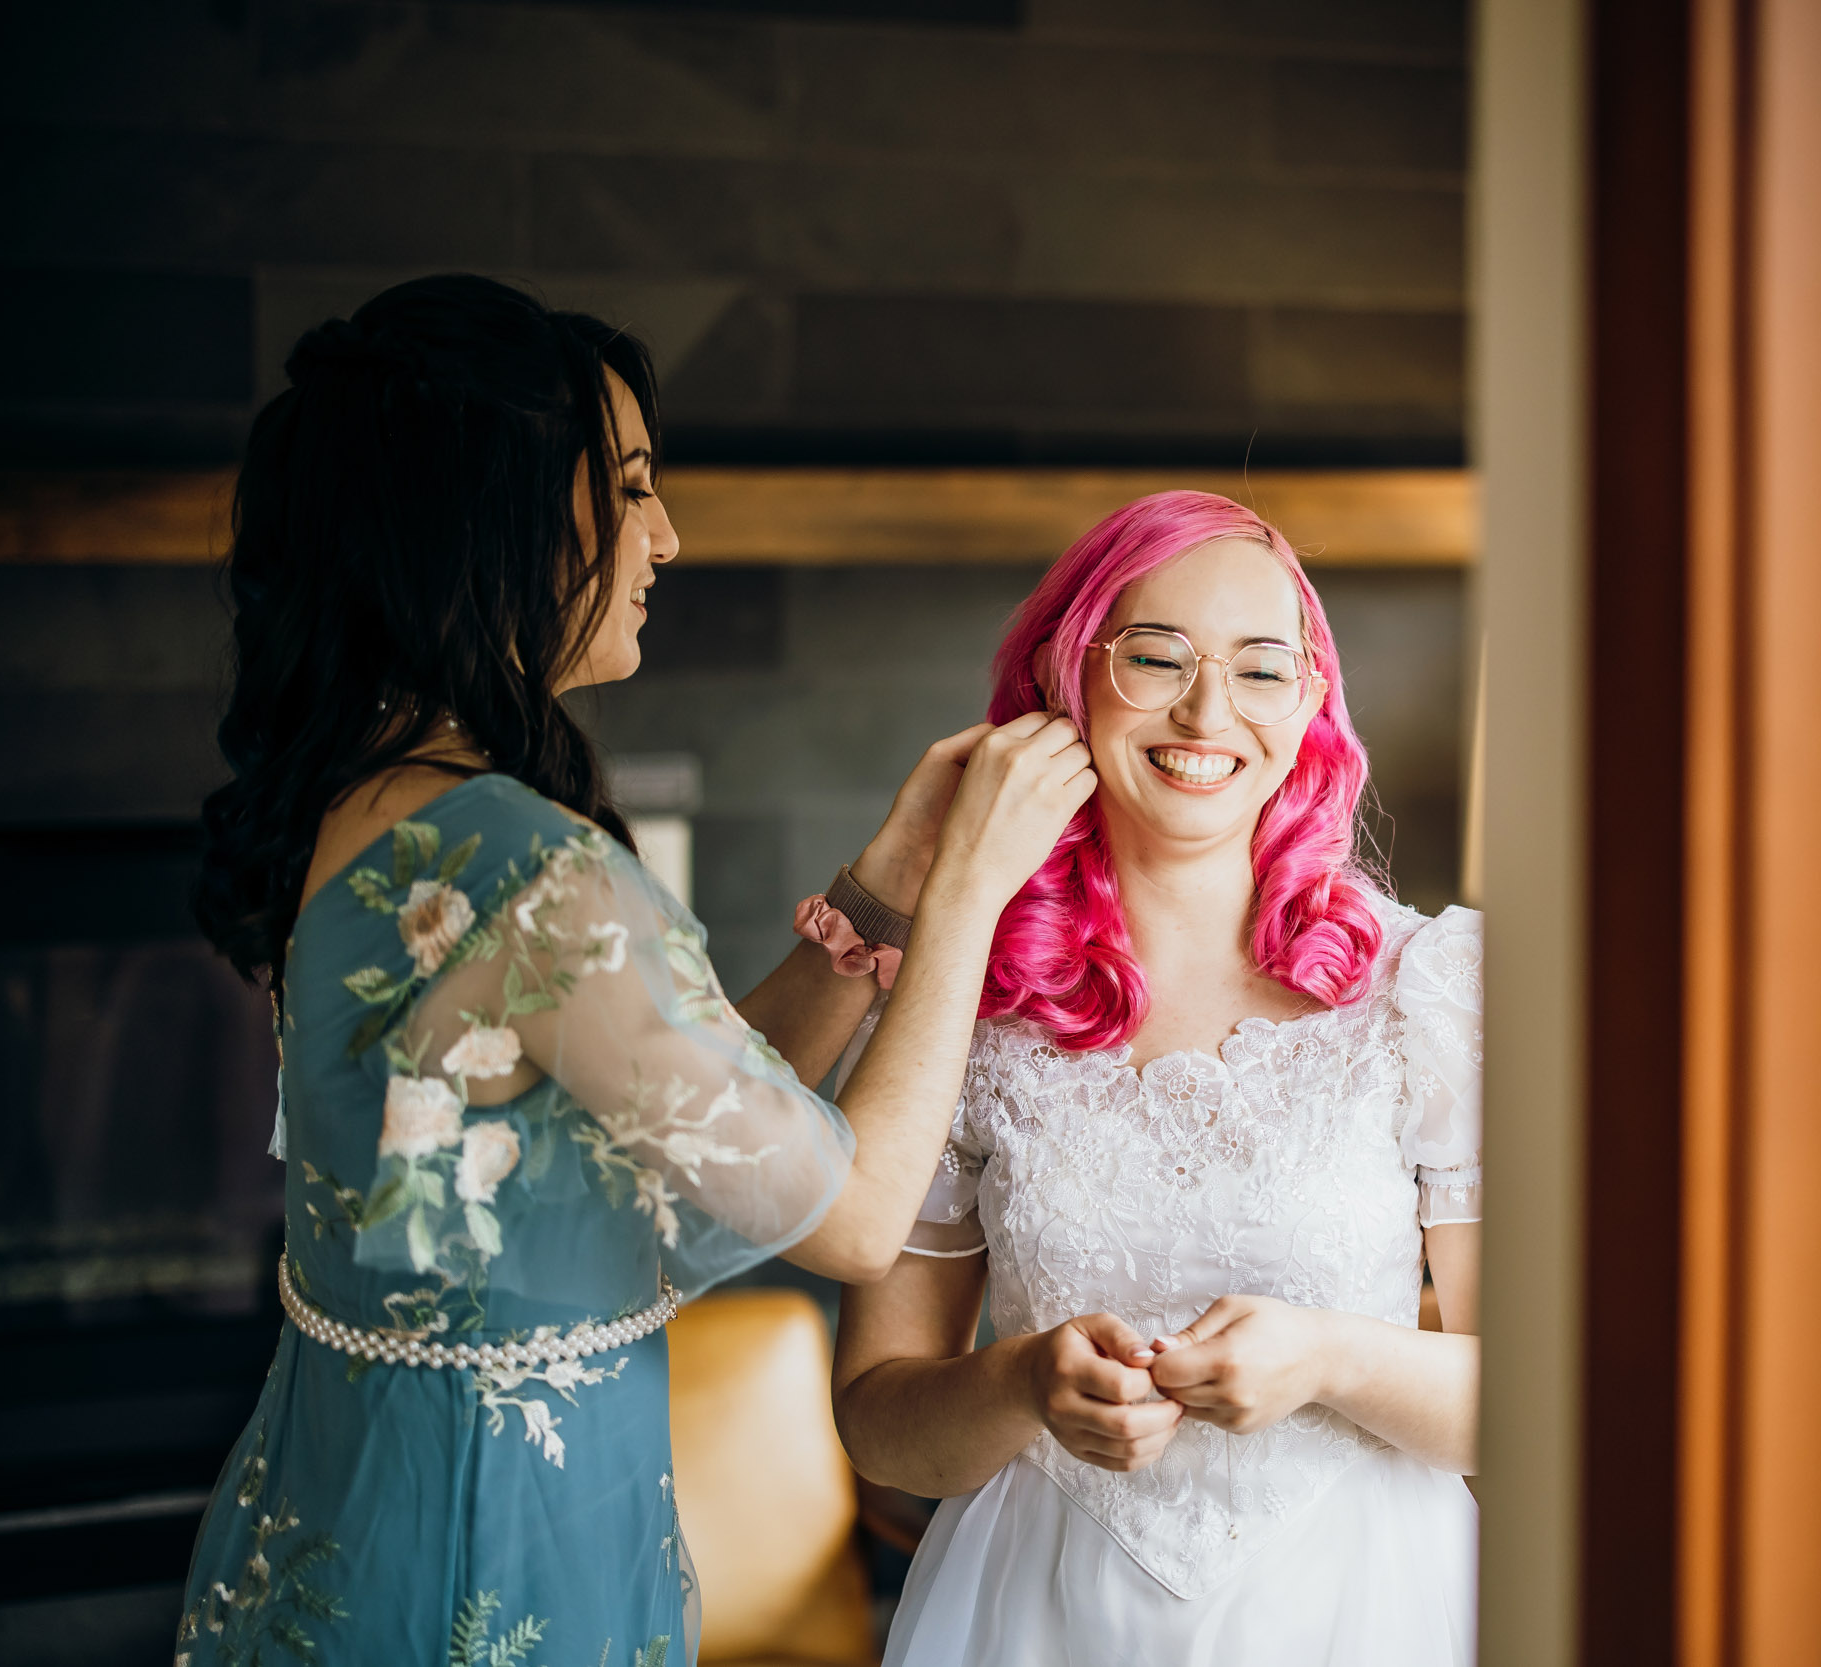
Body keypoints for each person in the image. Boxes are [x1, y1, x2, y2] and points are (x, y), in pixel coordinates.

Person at [177, 274, 1092, 1666]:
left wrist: (884, 884)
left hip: (349, 1513)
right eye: (634, 486)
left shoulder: (368, 802)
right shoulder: (531, 872)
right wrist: (972, 885)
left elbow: (695, 1113)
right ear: (493, 510)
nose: (667, 536)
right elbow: (847, 1216)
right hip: (495, 1564)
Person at [834, 491, 1482, 1666]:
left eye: (1261, 669)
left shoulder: (1427, 992)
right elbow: (880, 1421)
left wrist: (1334, 1357)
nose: (1206, 709)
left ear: (1312, 706)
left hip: (1366, 1609)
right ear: (1065, 680)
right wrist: (1023, 1380)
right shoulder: (963, 1006)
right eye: (1156, 655)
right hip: (1037, 1616)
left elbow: (1534, 1402)